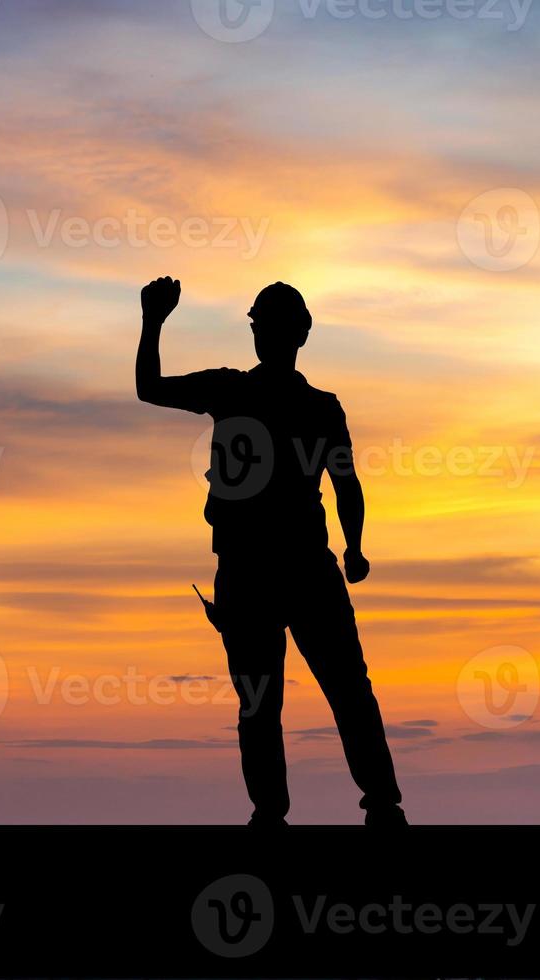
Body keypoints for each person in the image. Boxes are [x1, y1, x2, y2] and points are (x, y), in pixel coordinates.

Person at [135, 276, 407, 827]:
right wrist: (355, 548)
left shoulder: (250, 394)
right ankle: (353, 809)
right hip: (270, 570)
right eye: (266, 326)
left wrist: (154, 320)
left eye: (272, 327)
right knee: (327, 695)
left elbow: (346, 484)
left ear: (293, 334)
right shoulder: (284, 401)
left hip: (279, 571)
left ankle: (333, 810)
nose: (269, 336)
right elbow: (347, 487)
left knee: (302, 698)